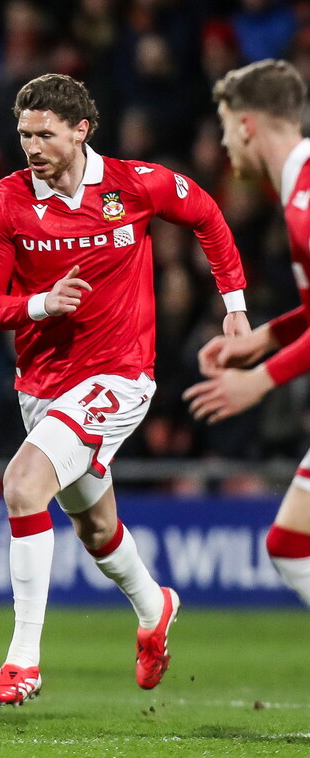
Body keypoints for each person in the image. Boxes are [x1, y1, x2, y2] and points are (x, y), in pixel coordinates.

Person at [0, 74, 250, 705]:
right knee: (96, 528)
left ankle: (22, 661)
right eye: (24, 134)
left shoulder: (133, 185)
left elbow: (206, 213)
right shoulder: (6, 201)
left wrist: (234, 305)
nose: (31, 146)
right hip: (43, 384)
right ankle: (155, 607)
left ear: (80, 130)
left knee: (22, 485)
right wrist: (42, 304)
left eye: (44, 134)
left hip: (121, 375)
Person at [185, 59, 310, 607]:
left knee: (291, 547)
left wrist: (260, 380)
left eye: (225, 125)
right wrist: (262, 340)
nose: (223, 142)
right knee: (290, 545)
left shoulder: (305, 205)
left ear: (247, 125)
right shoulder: (299, 191)